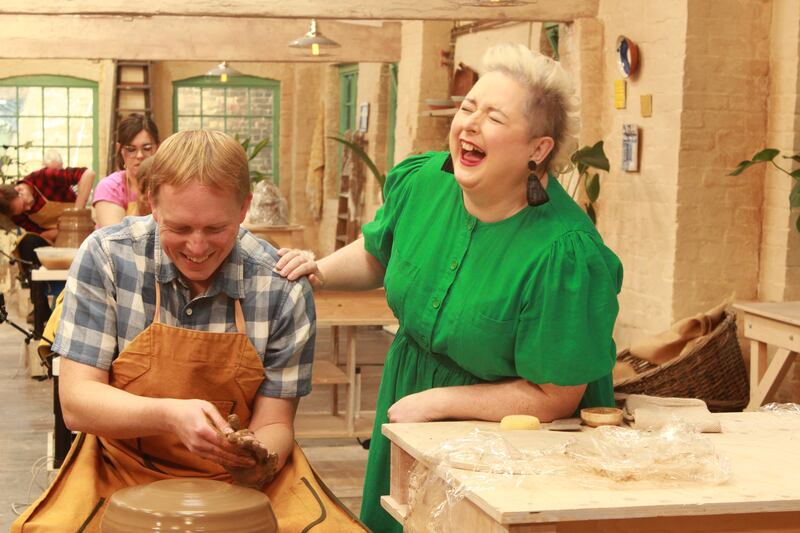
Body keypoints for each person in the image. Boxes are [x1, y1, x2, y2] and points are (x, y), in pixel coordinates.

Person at [276, 43, 623, 532]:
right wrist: (320, 270)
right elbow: (379, 252)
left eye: (494, 117)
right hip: (411, 404)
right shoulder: (424, 183)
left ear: (538, 149)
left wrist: (439, 402)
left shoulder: (564, 253)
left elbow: (555, 395)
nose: (470, 124)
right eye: (468, 108)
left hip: (509, 442)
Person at [12, 130, 366, 532]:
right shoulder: (108, 257)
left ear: (244, 207)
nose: (197, 248)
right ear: (153, 204)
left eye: (216, 229)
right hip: (119, 468)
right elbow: (77, 402)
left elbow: (275, 423)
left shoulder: (282, 286)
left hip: (241, 482)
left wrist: (253, 458)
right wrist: (168, 416)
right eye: (179, 228)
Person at [0, 149, 95, 242]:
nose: (28, 208)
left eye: (25, 204)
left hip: (84, 231)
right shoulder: (16, 214)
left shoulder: (42, 177)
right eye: (23, 210)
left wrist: (77, 214)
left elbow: (88, 174)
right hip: (59, 239)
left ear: (19, 189)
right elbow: (39, 235)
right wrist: (67, 228)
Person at [93, 113, 160, 227]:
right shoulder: (110, 188)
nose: (139, 155)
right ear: (120, 150)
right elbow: (116, 235)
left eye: (147, 148)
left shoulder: (167, 185)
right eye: (131, 149)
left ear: (158, 148)